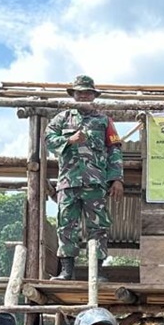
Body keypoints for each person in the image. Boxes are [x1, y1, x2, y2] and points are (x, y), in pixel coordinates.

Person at [46, 74, 124, 281]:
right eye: (80, 92)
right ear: (74, 95)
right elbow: (48, 140)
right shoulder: (62, 118)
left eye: (87, 92)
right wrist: (68, 139)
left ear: (93, 95)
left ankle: (96, 273)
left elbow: (114, 149)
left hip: (95, 183)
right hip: (68, 183)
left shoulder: (104, 120)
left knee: (98, 227)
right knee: (65, 226)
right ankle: (66, 272)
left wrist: (117, 179)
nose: (84, 96)